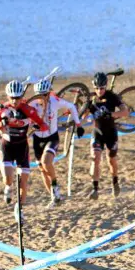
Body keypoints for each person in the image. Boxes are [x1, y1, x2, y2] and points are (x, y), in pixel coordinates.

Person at [0, 80, 49, 220]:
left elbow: (42, 124)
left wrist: (40, 127)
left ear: (21, 97)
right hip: (7, 147)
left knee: (23, 181)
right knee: (8, 178)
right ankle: (7, 188)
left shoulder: (28, 109)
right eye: (12, 98)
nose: (15, 101)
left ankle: (19, 209)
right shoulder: (4, 109)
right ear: (8, 97)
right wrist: (2, 123)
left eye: (18, 97)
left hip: (22, 148)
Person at [29, 78, 84, 208]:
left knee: (46, 162)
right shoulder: (32, 104)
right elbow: (25, 118)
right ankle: (55, 197)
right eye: (39, 95)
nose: (42, 98)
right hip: (37, 140)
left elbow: (71, 106)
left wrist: (78, 124)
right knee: (42, 170)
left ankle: (55, 186)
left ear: (49, 93)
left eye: (45, 95)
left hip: (51, 138)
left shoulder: (54, 101)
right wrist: (31, 125)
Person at [87, 72, 129, 200]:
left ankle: (115, 181)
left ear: (105, 87)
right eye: (97, 88)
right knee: (95, 158)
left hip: (111, 133)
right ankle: (95, 189)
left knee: (111, 160)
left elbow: (125, 111)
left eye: (102, 88)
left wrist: (112, 114)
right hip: (97, 132)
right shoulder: (91, 99)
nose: (99, 91)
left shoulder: (112, 96)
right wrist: (79, 124)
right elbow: (84, 117)